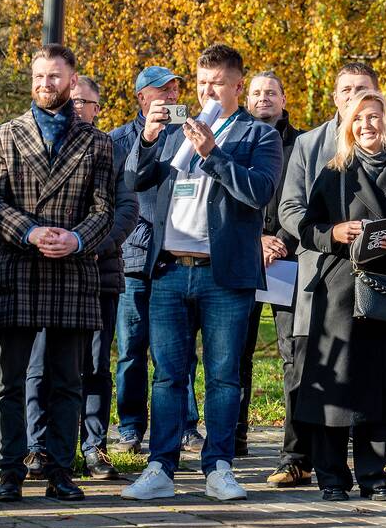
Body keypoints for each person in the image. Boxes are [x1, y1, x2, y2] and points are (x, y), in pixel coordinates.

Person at [120, 44, 282, 502]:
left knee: (224, 375)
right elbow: (135, 180)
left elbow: (258, 192)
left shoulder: (258, 135)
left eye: (217, 83)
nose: (207, 91)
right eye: (201, 83)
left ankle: (219, 467)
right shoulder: (175, 128)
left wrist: (213, 153)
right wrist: (147, 139)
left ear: (237, 86)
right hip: (170, 269)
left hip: (223, 275)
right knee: (168, 375)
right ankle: (160, 467)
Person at [0, 44, 115, 504]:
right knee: (10, 382)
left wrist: (75, 239)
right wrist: (31, 232)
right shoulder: (4, 135)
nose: (45, 84)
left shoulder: (97, 143)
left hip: (72, 270)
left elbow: (104, 209)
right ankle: (9, 471)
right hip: (18, 266)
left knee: (67, 381)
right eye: (38, 76)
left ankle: (60, 470)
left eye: (54, 76)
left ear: (72, 81)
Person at [278, 61, 386, 491]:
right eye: (358, 118)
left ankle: (375, 476)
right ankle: (332, 477)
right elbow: (305, 225)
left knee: (378, 386)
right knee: (333, 387)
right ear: (347, 123)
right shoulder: (333, 172)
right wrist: (334, 234)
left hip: (384, 290)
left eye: (373, 116)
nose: (366, 125)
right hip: (338, 288)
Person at [24, 75, 139, 481]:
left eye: (82, 102)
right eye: (69, 101)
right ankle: (37, 447)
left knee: (95, 364)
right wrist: (47, 241)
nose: (74, 108)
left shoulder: (112, 149)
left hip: (96, 273)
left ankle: (93, 447)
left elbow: (126, 209)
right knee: (40, 363)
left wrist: (87, 244)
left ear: (97, 109)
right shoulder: (38, 144)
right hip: (43, 272)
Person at [108, 67, 204, 457]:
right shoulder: (118, 141)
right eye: (162, 90)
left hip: (174, 258)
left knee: (181, 350)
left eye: (176, 89)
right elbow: (117, 198)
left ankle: (186, 426)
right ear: (142, 98)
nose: (171, 96)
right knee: (132, 348)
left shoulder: (190, 134)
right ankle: (130, 427)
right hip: (133, 259)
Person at [235, 71, 307, 471]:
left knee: (292, 353)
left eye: (271, 92)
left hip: (287, 259)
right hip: (242, 257)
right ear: (247, 99)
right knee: (234, 353)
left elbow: (307, 200)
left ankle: (293, 449)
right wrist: (255, 240)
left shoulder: (302, 144)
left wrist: (279, 240)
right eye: (256, 92)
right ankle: (234, 438)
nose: (263, 98)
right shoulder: (233, 139)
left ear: (283, 99)